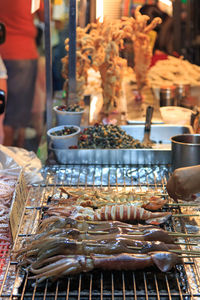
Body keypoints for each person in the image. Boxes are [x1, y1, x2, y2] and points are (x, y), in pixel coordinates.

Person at [0, 0, 44, 147]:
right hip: (22, 53)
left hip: (3, 50)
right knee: (13, 116)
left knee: (4, 113)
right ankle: (8, 165)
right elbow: (45, 16)